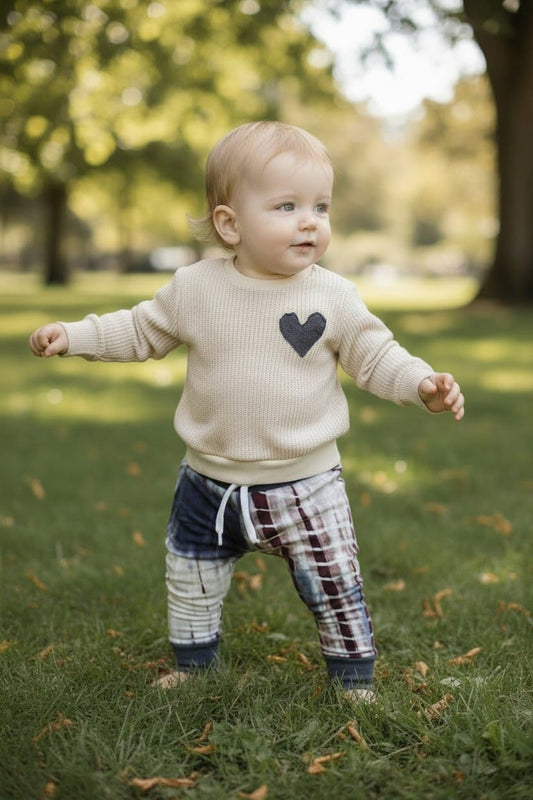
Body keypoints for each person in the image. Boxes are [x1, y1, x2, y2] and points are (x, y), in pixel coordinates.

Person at [29, 121, 464, 703]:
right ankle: (194, 662)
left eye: (320, 206)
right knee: (190, 576)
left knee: (334, 581)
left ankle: (353, 676)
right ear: (229, 223)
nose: (310, 220)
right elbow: (138, 329)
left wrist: (420, 384)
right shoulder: (195, 289)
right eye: (287, 206)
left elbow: (374, 355)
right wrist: (75, 335)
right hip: (206, 480)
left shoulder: (331, 296)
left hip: (305, 482)